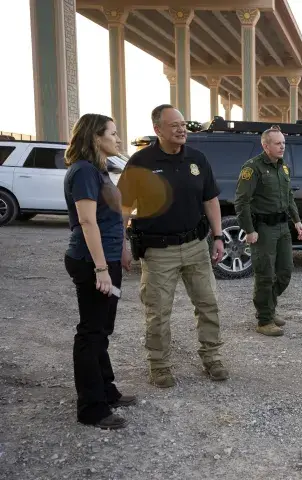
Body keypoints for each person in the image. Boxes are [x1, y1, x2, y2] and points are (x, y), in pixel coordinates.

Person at [117, 104, 228, 387]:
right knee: (158, 311)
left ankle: (212, 357)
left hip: (195, 246)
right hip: (158, 251)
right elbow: (124, 207)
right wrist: (121, 245)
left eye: (183, 124)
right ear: (158, 130)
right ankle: (159, 365)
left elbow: (210, 199)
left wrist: (217, 237)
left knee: (208, 304)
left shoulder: (197, 159)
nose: (182, 129)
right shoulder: (141, 162)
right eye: (174, 125)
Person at [63, 113, 137, 430]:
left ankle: (106, 391)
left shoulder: (100, 170)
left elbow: (112, 218)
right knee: (91, 333)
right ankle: (91, 408)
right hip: (91, 262)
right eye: (113, 133)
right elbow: (88, 221)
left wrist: (120, 249)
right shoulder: (83, 172)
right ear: (96, 136)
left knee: (102, 330)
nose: (118, 139)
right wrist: (101, 269)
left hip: (106, 258)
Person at [234, 125, 302, 337]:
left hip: (283, 227)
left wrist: (297, 221)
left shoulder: (283, 168)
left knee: (284, 272)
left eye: (283, 142)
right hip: (263, 229)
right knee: (265, 274)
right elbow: (241, 201)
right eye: (278, 143)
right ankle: (264, 320)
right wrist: (249, 230)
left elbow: (289, 197)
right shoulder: (252, 168)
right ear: (266, 146)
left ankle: (269, 307)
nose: (282, 146)